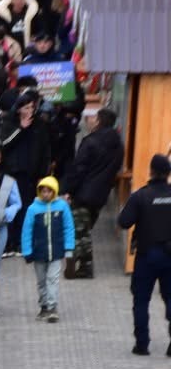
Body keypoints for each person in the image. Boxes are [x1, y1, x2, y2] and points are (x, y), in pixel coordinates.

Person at [118, 154, 171, 356]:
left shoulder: (141, 196)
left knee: (141, 300)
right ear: (168, 173)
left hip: (146, 255)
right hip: (170, 256)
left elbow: (124, 222)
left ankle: (142, 344)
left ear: (151, 171)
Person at [68, 106, 121, 278]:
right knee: (86, 227)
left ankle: (84, 264)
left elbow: (79, 168)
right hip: (101, 194)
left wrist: (68, 189)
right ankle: (82, 263)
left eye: (94, 118)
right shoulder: (118, 145)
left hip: (83, 192)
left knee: (81, 229)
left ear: (99, 121)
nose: (91, 121)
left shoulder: (90, 141)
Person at [21, 176, 74, 322]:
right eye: (43, 191)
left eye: (48, 191)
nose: (46, 194)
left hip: (56, 251)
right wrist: (27, 251)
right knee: (41, 281)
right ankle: (44, 305)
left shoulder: (62, 207)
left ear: (54, 192)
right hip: (39, 252)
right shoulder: (33, 209)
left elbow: (68, 227)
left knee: (53, 279)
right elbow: (27, 231)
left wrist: (68, 248)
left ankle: (52, 307)